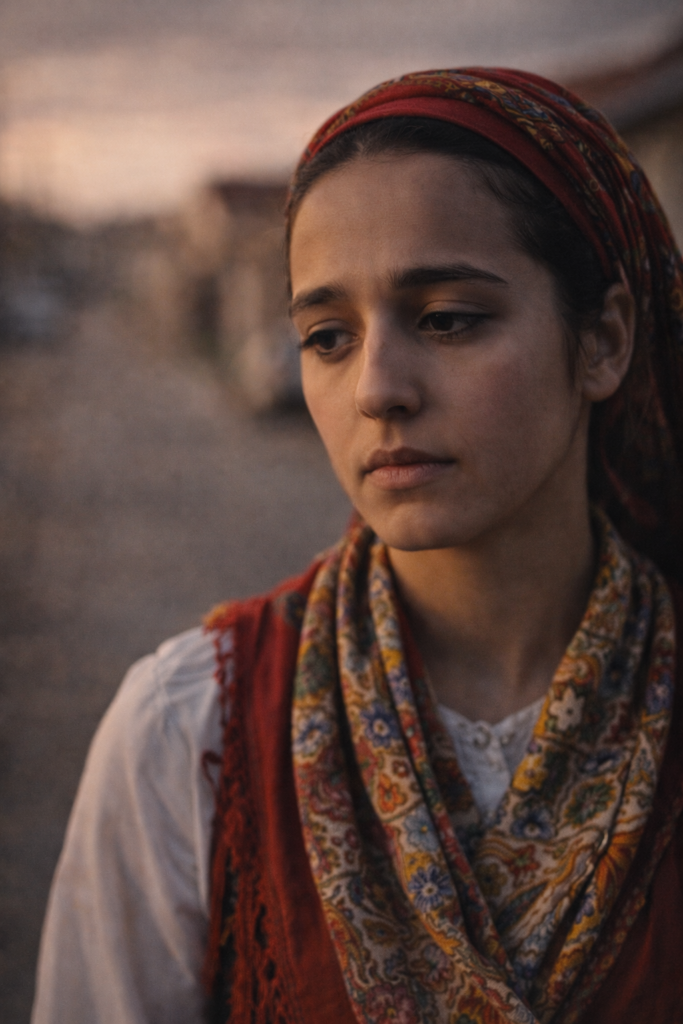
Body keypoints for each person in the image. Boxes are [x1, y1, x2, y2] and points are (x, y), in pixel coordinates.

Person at [32, 68, 683, 1024]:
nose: (377, 387)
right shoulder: (190, 737)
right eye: (328, 336)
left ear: (604, 340)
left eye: (448, 318)